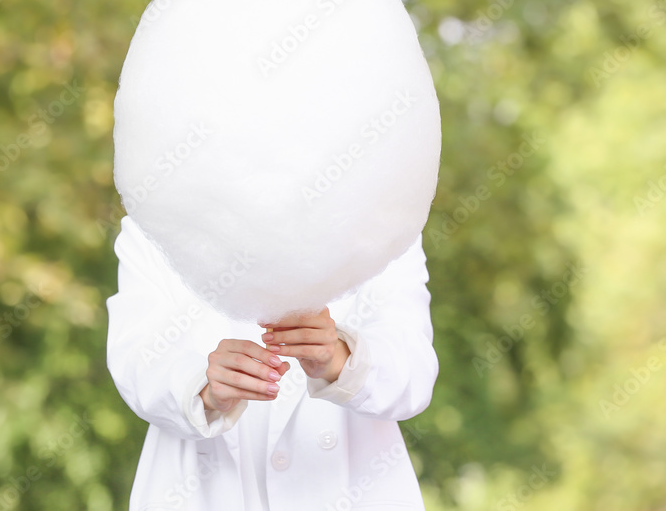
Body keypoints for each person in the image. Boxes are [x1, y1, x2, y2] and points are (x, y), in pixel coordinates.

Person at [106, 215, 438, 510]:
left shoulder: (385, 219)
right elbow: (136, 357)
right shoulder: (155, 219)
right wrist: (203, 388)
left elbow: (414, 370)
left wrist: (340, 357)